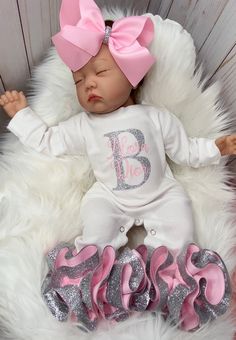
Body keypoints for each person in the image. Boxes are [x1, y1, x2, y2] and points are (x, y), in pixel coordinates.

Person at [0, 0, 234, 331]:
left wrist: (216, 148)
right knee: (95, 223)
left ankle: (173, 287)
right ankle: (91, 282)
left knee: (179, 224)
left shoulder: (156, 117)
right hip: (110, 195)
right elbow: (49, 141)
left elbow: (185, 151)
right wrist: (22, 115)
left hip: (160, 193)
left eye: (101, 73)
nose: (89, 85)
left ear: (132, 79)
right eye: (80, 81)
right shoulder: (83, 125)